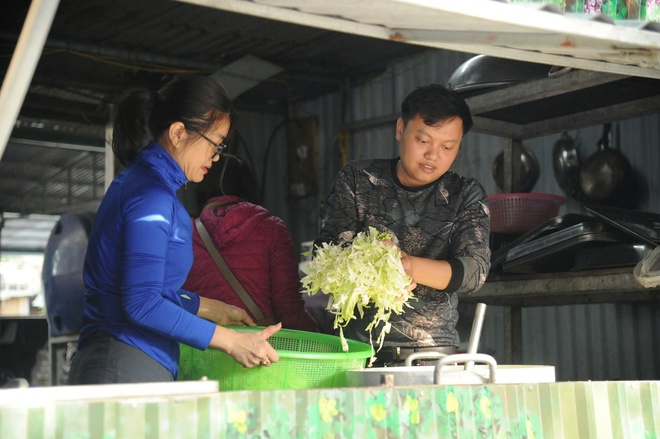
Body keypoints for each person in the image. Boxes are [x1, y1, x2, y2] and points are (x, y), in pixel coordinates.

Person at [68, 75, 281, 385]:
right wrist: (232, 342)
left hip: (127, 360)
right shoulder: (150, 197)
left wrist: (209, 307)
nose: (217, 156)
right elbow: (142, 303)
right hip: (125, 363)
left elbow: (138, 287)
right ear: (179, 132)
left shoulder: (145, 186)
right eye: (215, 144)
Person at [314, 83, 491, 365]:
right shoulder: (358, 179)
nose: (433, 155)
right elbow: (327, 250)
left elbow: (474, 271)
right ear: (400, 129)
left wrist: (409, 268)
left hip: (432, 358)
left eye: (448, 146)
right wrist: (374, 257)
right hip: (356, 354)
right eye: (423, 141)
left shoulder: (465, 194)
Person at [182, 156, 318, 332]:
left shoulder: (184, 232)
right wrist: (322, 340)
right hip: (260, 349)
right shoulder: (272, 229)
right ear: (249, 186)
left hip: (202, 349)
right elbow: (289, 311)